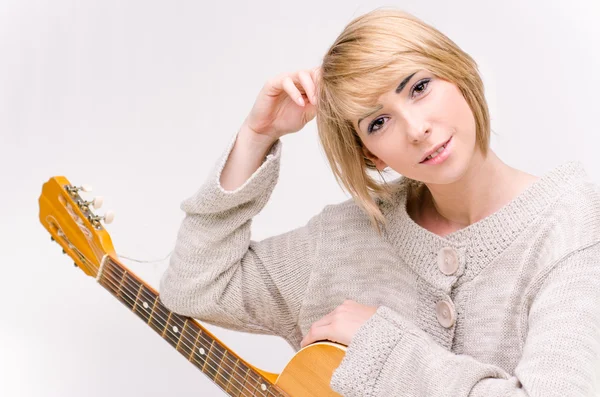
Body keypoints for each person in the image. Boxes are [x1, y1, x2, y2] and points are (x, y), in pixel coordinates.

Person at [159, 7, 600, 396]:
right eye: (379, 122)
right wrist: (256, 137)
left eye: (420, 87)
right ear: (370, 153)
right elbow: (195, 286)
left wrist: (382, 348)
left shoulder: (570, 226)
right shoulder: (344, 239)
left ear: (459, 74)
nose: (415, 128)